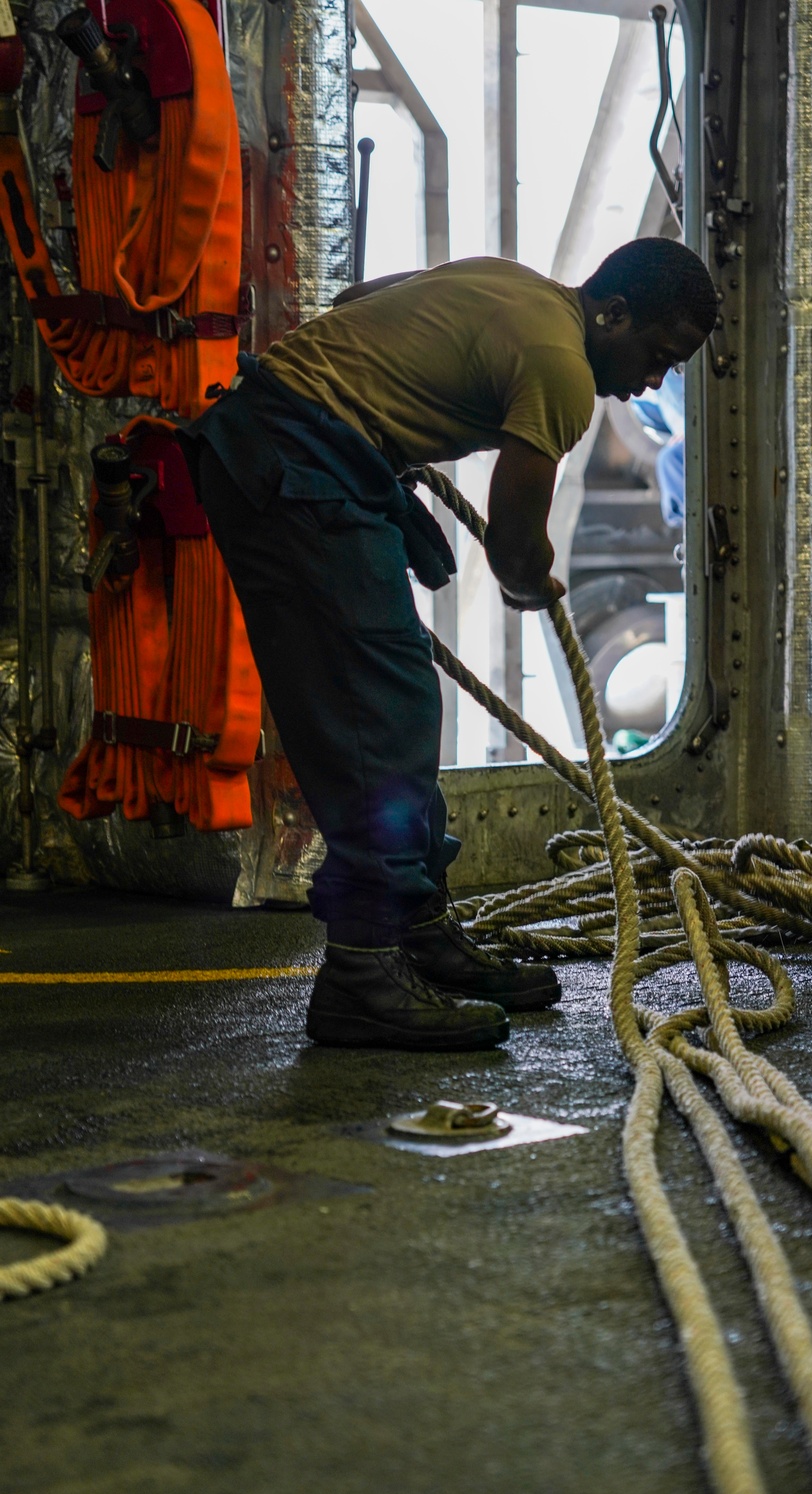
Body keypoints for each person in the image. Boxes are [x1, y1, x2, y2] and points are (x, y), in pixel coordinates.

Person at [179, 237, 717, 1052]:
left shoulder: (515, 284)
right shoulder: (564, 371)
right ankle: (362, 971)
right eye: (657, 354)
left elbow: (362, 298)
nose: (653, 381)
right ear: (612, 314)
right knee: (380, 718)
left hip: (296, 444)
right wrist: (532, 581)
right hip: (298, 466)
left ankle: (419, 934)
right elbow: (513, 549)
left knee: (398, 705)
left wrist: (385, 413)